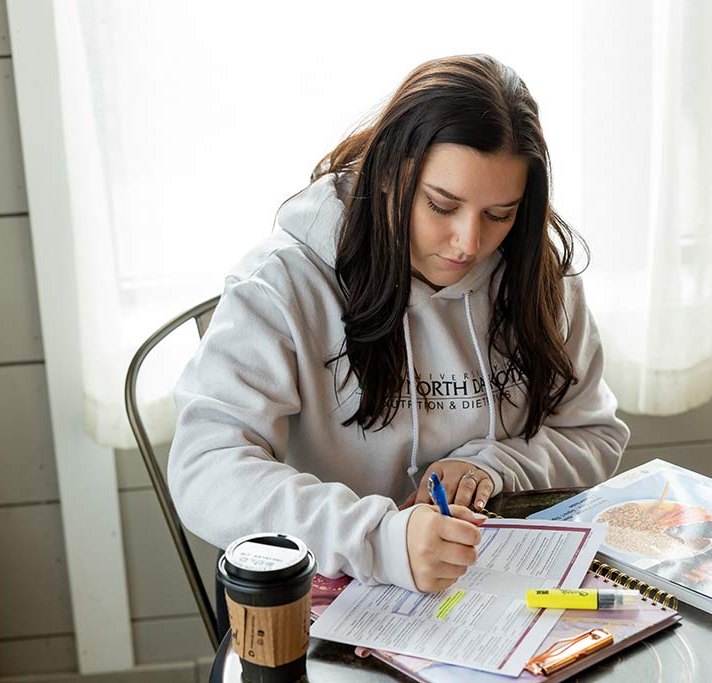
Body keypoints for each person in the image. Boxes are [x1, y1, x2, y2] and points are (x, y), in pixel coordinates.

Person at [168, 54, 629, 594]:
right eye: (441, 205)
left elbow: (594, 435)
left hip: (489, 586)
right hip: (324, 584)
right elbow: (207, 470)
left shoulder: (537, 278)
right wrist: (380, 538)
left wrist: (493, 468)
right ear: (390, 174)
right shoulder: (283, 283)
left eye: (499, 215)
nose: (469, 244)